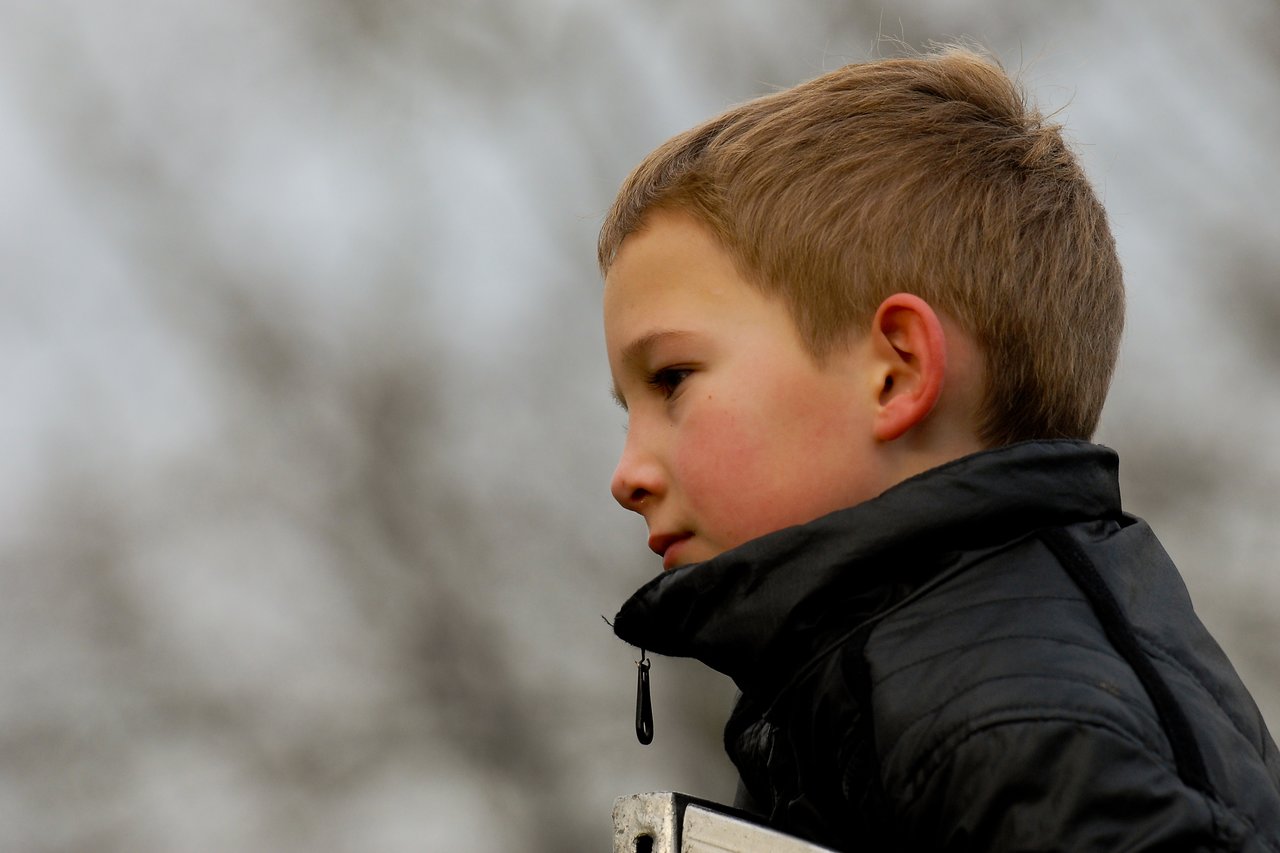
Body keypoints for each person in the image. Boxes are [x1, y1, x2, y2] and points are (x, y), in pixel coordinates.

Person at [599, 46, 1280, 850]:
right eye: (626, 409)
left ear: (896, 371)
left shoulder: (1014, 720)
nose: (626, 475)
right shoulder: (879, 685)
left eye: (672, 379)